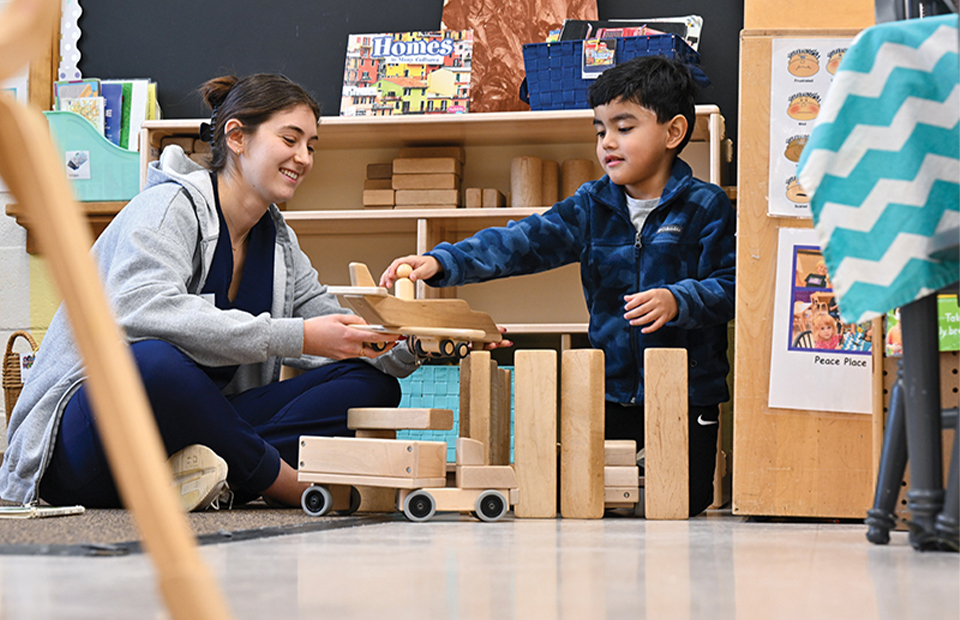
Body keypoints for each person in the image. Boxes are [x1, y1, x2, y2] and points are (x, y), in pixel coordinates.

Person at [0, 74, 424, 511]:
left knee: (368, 384)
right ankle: (276, 480)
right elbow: (138, 310)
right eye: (290, 139)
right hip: (85, 446)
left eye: (311, 145)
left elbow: (339, 333)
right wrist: (297, 336)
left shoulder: (279, 243)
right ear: (237, 137)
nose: (304, 158)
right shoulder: (168, 209)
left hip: (190, 434)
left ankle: (208, 473)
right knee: (157, 364)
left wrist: (412, 342)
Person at [381, 56, 736, 516]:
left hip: (687, 396)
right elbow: (520, 242)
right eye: (600, 130)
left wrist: (678, 298)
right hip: (608, 393)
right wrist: (440, 260)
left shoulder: (705, 206)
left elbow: (731, 288)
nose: (607, 142)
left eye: (624, 128)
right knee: (602, 500)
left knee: (683, 501)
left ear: (673, 133)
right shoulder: (591, 205)